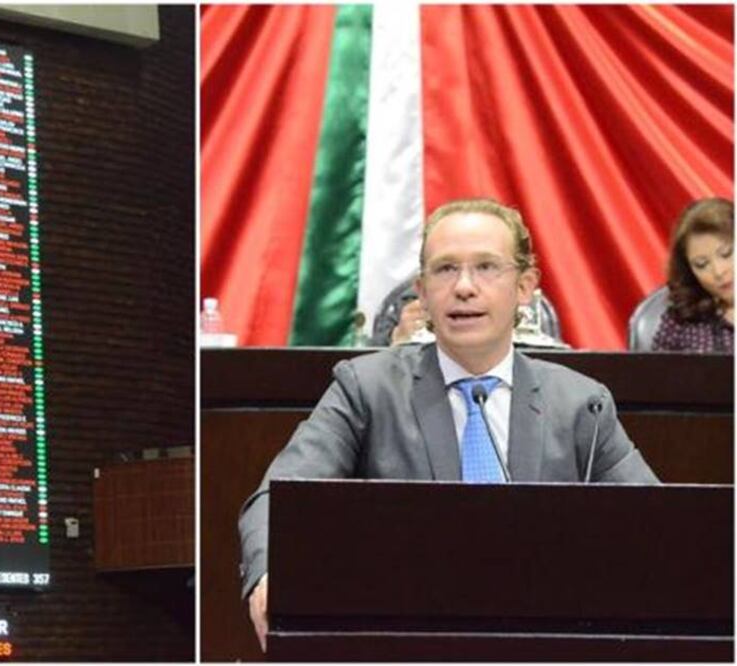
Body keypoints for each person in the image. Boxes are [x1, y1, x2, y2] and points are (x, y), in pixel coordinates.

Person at [238, 197, 659, 651]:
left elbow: (657, 528)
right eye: (444, 270)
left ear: (525, 287)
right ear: (421, 290)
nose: (463, 287)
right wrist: (270, 572)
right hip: (405, 642)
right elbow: (276, 498)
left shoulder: (581, 404)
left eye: (486, 268)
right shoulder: (367, 389)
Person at [651, 198, 733, 353]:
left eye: (726, 254)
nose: (718, 271)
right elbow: (654, 375)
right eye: (702, 264)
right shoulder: (680, 322)